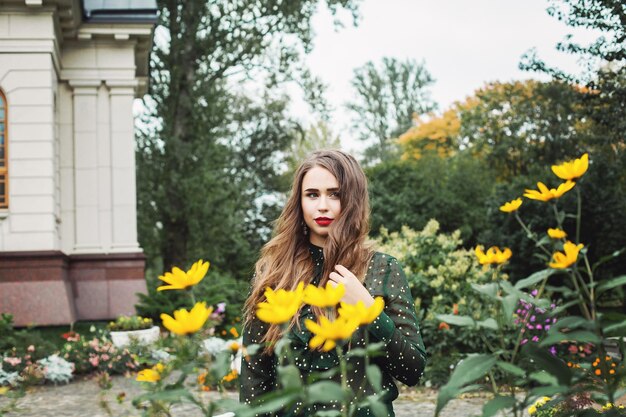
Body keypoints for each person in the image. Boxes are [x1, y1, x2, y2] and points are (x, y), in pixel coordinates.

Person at [240, 149, 426, 416]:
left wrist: (369, 311)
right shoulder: (273, 273)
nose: (322, 205)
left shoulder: (382, 269)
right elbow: (254, 378)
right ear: (299, 201)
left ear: (352, 199)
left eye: (335, 194)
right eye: (312, 194)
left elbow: (413, 369)